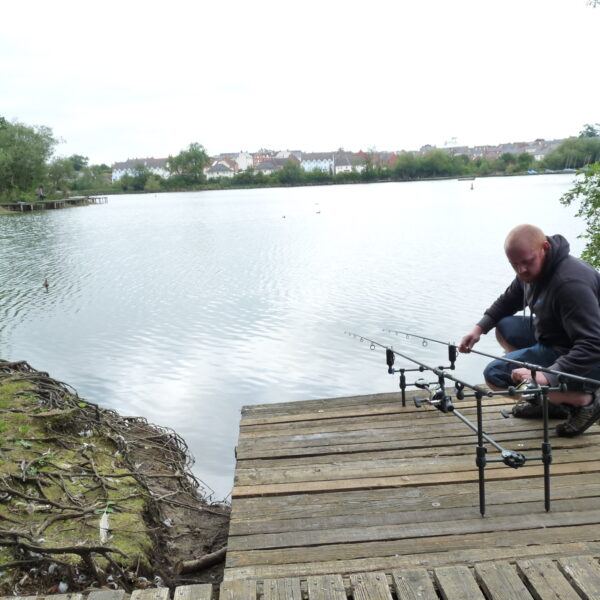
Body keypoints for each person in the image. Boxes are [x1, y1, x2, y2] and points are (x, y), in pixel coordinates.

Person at [459, 224, 600, 437]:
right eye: (514, 265)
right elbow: (508, 301)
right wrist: (479, 328)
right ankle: (551, 401)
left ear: (544, 247)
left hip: (587, 356)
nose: (521, 270)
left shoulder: (570, 283)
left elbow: (593, 343)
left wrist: (546, 376)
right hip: (556, 337)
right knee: (504, 325)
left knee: (495, 374)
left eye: (526, 262)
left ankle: (583, 401)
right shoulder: (532, 269)